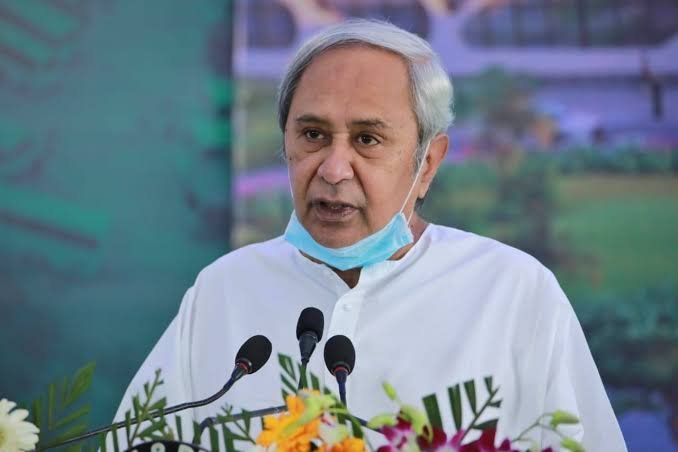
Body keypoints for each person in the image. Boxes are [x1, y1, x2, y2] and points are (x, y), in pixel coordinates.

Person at [112, 20, 626, 451]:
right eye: (313, 135)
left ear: (428, 163)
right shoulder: (224, 289)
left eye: (367, 139)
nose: (334, 169)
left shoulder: (514, 293)